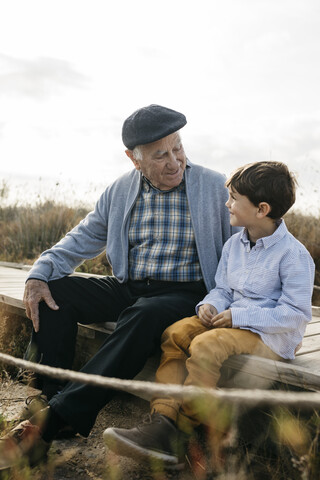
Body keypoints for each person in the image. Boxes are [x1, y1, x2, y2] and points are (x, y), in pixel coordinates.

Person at [0, 104, 236, 470]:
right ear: (134, 159)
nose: (174, 161)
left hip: (186, 293)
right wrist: (39, 272)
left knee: (143, 315)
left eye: (178, 148)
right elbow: (83, 237)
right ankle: (50, 398)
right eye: (161, 155)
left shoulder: (214, 187)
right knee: (54, 290)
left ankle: (45, 426)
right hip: (129, 286)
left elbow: (249, 244)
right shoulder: (121, 190)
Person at [103, 161, 315, 471]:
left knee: (206, 346)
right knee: (175, 334)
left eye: (233, 199)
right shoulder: (234, 245)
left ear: (261, 209)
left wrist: (237, 318)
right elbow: (223, 289)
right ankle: (162, 419)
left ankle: (183, 434)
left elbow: (295, 314)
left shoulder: (294, 255)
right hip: (230, 320)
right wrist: (211, 304)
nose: (226, 203)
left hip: (271, 336)